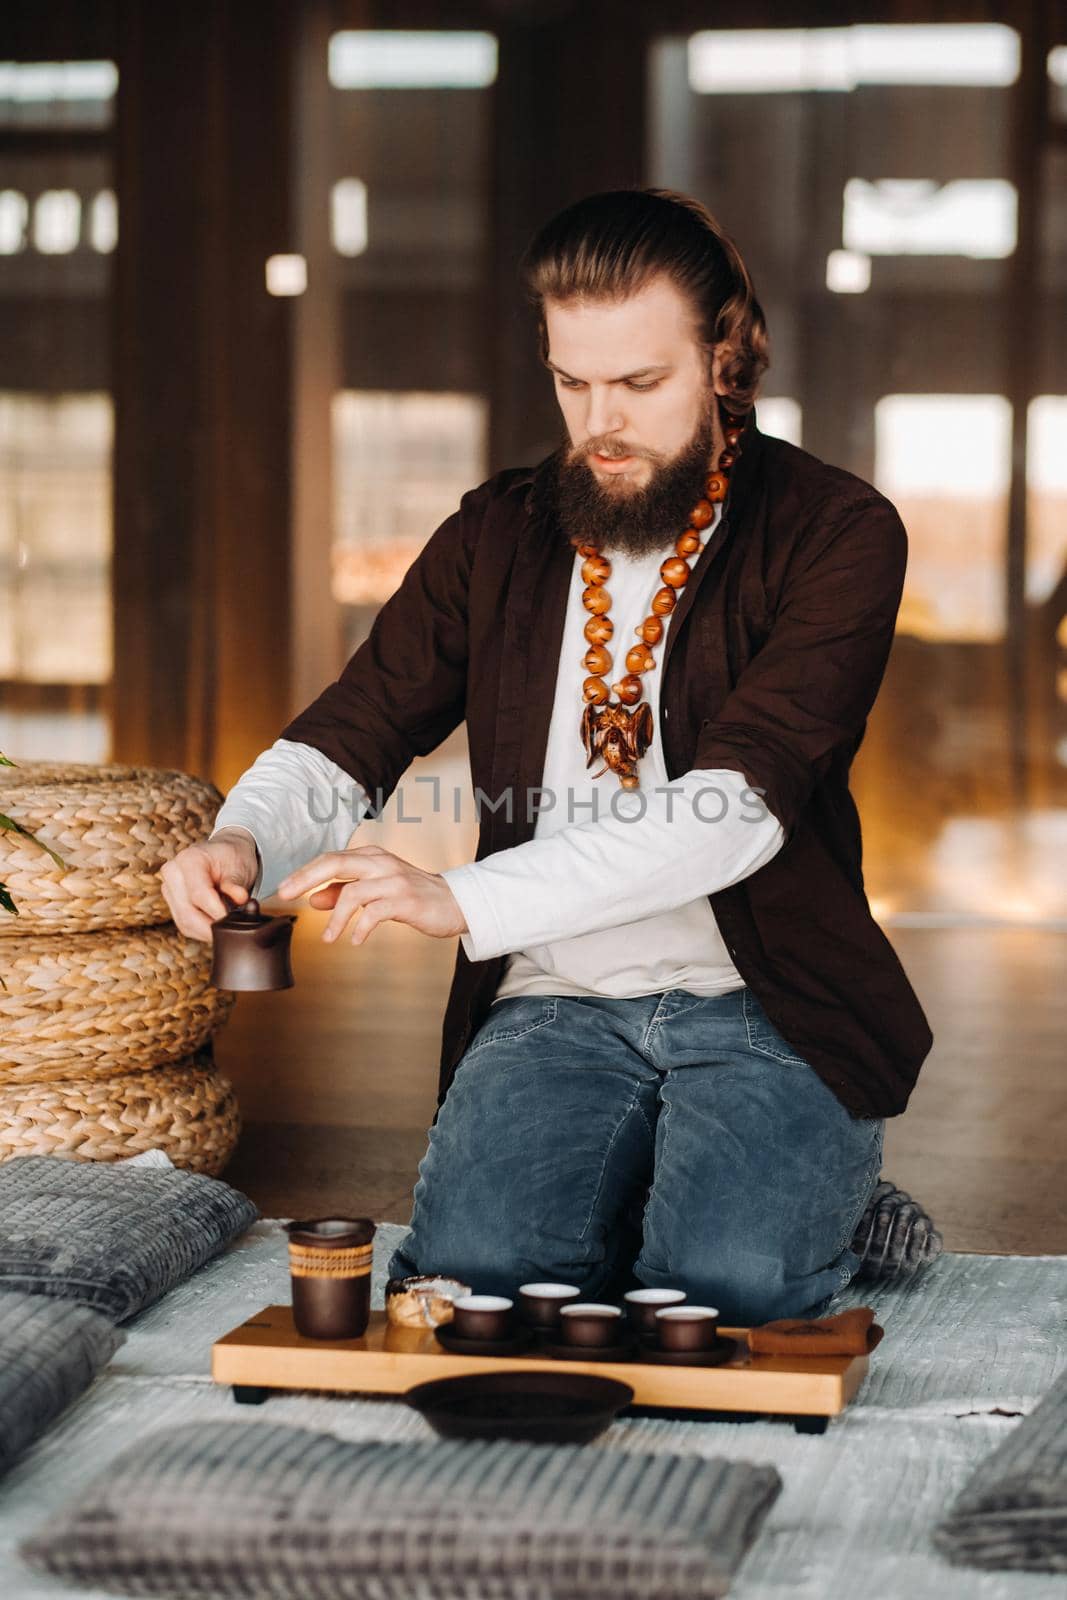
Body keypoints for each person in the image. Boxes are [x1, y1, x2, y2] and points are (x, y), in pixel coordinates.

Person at [161, 188, 933, 1324]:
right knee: (470, 1291)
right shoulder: (496, 533)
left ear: (722, 357)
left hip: (768, 1001)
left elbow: (735, 809)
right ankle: (725, 1186)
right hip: (553, 999)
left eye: (638, 383)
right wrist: (242, 832)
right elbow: (353, 727)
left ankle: (809, 1189)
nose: (598, 421)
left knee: (720, 1297)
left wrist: (455, 895)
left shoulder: (835, 531)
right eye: (572, 382)